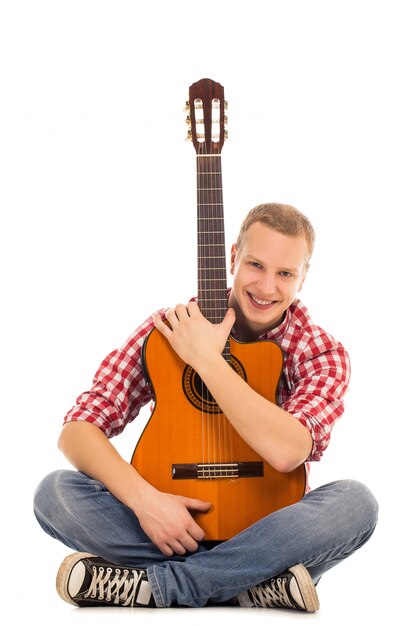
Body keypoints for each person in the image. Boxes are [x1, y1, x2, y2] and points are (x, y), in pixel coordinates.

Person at [34, 202, 378, 611]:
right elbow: (78, 428)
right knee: (54, 492)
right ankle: (251, 585)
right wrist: (145, 502)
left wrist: (209, 360)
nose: (267, 287)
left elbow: (288, 451)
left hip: (268, 529)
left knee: (356, 504)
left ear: (304, 276)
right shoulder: (170, 327)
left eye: (285, 273)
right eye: (255, 265)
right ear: (233, 256)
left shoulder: (321, 351)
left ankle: (158, 585)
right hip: (169, 530)